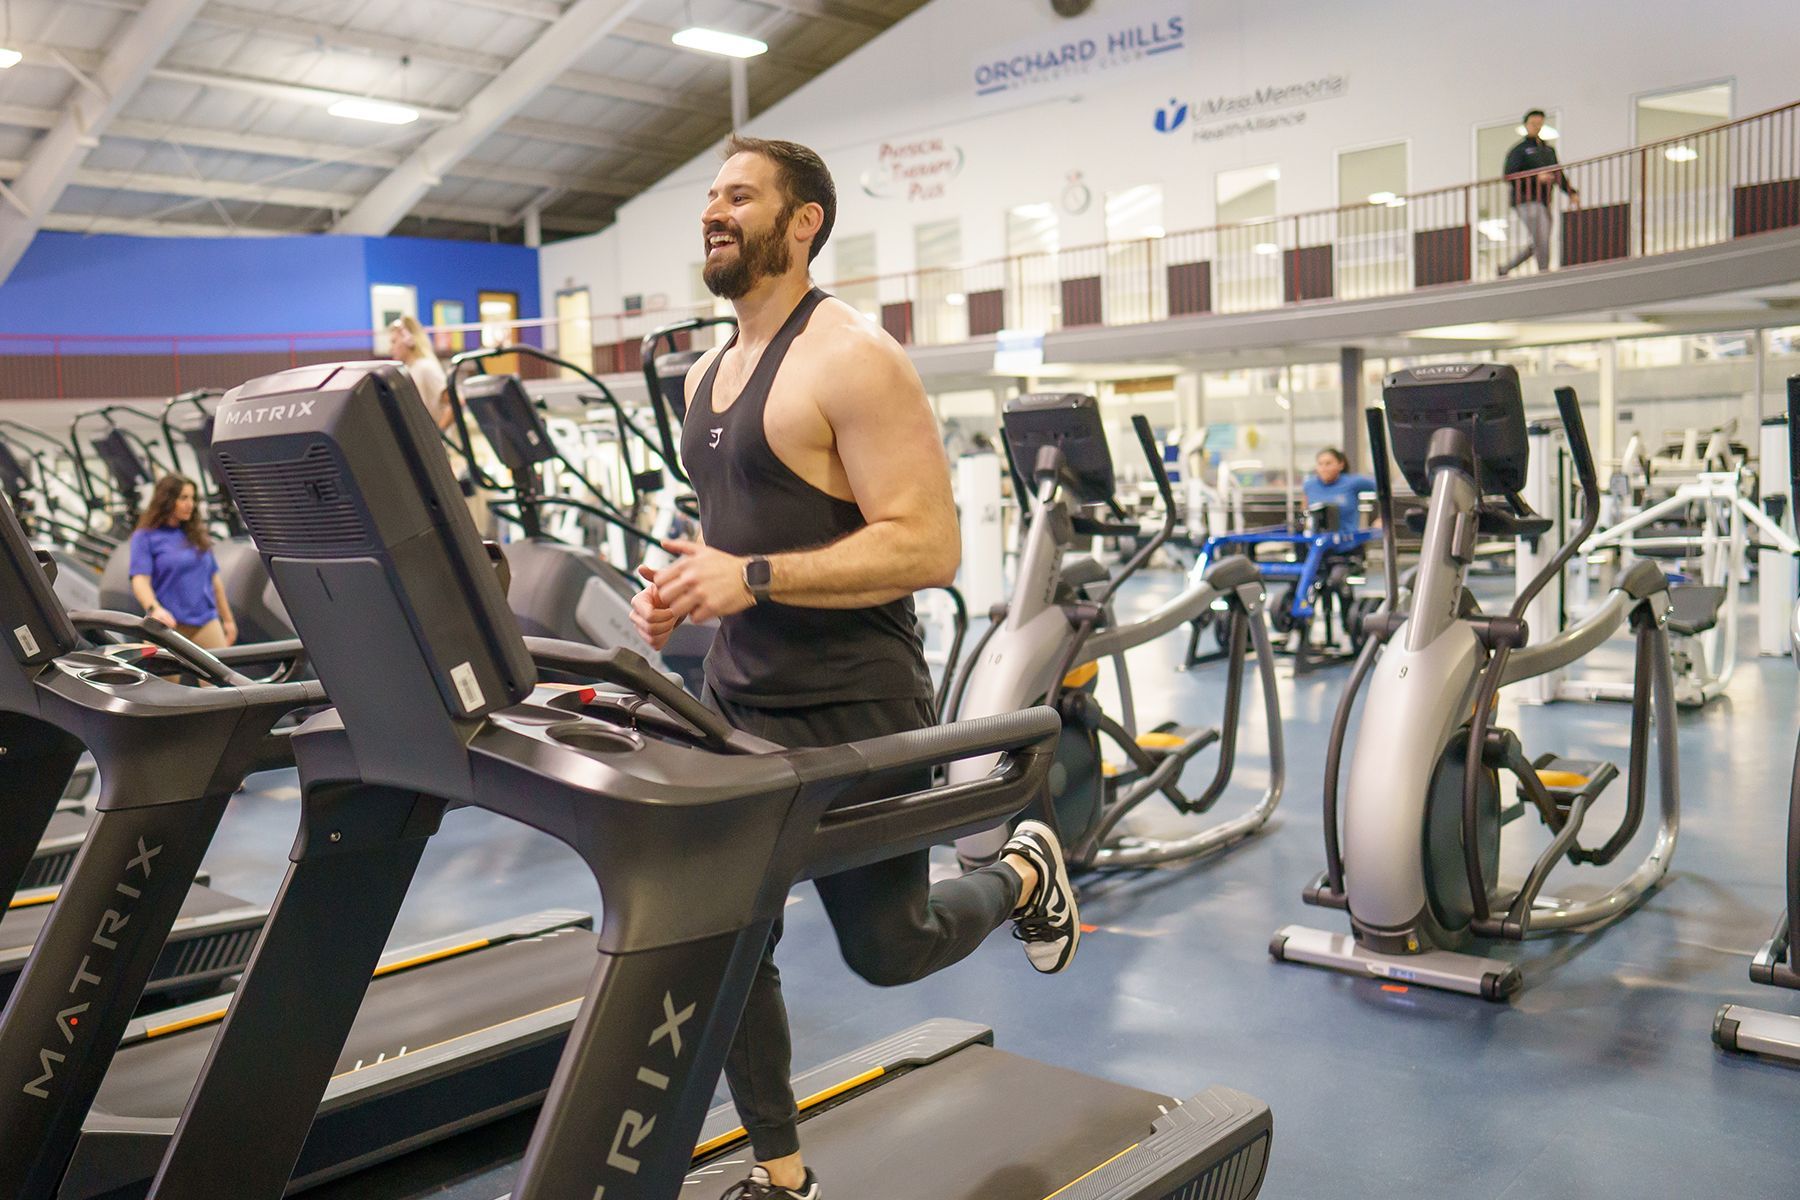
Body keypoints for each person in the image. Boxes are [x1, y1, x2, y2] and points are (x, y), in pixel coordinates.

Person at [629, 135, 1081, 1200]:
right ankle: (783, 1176)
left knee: (890, 948)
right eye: (708, 197)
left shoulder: (854, 357)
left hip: (856, 705)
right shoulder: (704, 373)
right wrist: (690, 587)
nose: (714, 212)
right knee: (721, 937)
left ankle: (1020, 872)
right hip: (735, 700)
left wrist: (758, 575)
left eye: (739, 197)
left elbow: (928, 546)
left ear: (802, 223)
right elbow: (735, 539)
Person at [127, 474, 236, 649]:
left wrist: (228, 620)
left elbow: (214, 581)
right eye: (183, 498)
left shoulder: (196, 535)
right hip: (165, 625)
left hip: (206, 622)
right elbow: (139, 580)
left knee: (220, 676)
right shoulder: (145, 536)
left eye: (192, 498)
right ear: (167, 500)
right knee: (162, 677)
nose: (190, 504)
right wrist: (155, 609)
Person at [1497, 109, 1581, 277]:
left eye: (1539, 124)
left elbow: (1558, 174)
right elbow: (1509, 175)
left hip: (1544, 201)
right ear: (1526, 125)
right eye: (1533, 124)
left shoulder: (1548, 151)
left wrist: (1571, 192)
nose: (1536, 127)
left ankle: (1505, 268)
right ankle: (1544, 274)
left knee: (1540, 240)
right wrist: (1536, 178)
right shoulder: (1519, 150)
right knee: (1541, 239)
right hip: (1526, 200)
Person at [388, 314, 451, 430]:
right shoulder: (408, 370)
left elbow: (455, 403)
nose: (390, 348)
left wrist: (437, 435)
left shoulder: (425, 367)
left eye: (394, 342)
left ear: (408, 340)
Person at [1304, 447, 1377, 532]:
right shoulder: (1309, 485)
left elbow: (1382, 487)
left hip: (1348, 540)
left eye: (1328, 464)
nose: (1324, 468)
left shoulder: (1353, 482)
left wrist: (1382, 518)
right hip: (1317, 540)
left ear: (1341, 465)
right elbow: (1305, 511)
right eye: (1320, 464)